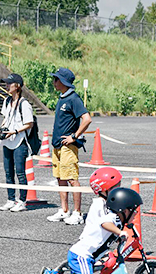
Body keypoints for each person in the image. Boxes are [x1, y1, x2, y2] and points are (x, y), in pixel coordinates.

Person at [41, 186, 141, 274]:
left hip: (88, 255)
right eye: (134, 211)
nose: (136, 214)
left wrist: (119, 237)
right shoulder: (113, 218)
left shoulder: (118, 221)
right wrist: (120, 233)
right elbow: (104, 223)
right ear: (124, 211)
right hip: (82, 254)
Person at [46, 67, 92, 225]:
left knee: (72, 178)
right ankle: (64, 210)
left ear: (64, 82)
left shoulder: (73, 98)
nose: (54, 82)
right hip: (57, 145)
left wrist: (74, 136)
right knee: (60, 178)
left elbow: (87, 119)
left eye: (56, 79)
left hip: (67, 147)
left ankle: (77, 213)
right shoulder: (62, 97)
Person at [0, 73, 34, 212]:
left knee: (20, 172)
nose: (6, 86)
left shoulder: (24, 104)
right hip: (7, 140)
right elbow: (6, 117)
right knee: (8, 171)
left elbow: (29, 123)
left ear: (17, 86)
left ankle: (22, 201)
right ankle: (10, 199)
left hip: (20, 141)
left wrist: (15, 131)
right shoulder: (7, 101)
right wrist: (1, 128)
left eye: (9, 83)